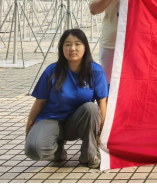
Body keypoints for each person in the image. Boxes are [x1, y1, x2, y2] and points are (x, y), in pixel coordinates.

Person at [25, 29, 108, 169]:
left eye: (77, 44)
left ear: (85, 47)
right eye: (67, 44)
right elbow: (39, 103)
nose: (72, 48)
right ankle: (58, 151)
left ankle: (89, 154)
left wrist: (101, 133)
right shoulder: (52, 71)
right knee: (33, 149)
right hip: (52, 119)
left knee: (91, 108)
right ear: (61, 48)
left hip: (77, 123)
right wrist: (29, 130)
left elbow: (102, 103)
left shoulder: (96, 71)